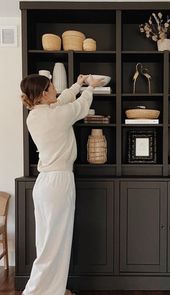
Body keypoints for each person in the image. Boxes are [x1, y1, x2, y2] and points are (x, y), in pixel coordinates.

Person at [20, 73, 104, 295]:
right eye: (51, 86)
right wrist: (90, 88)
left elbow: (62, 101)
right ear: (43, 94)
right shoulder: (55, 116)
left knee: (48, 241)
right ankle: (38, 291)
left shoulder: (35, 115)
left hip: (45, 184)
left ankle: (51, 289)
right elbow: (79, 107)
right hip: (59, 183)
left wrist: (77, 84)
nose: (55, 89)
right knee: (56, 242)